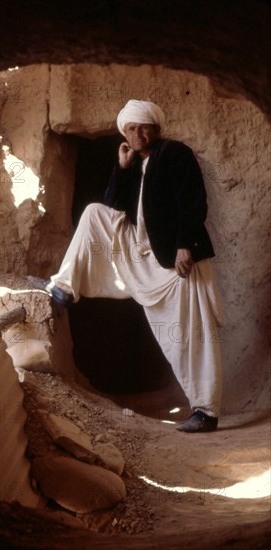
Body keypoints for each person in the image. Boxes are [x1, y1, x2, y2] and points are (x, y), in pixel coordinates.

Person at [30, 99, 223, 433]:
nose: (137, 134)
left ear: (156, 128)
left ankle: (206, 412)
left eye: (143, 127)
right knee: (94, 213)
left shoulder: (174, 153)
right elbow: (113, 206)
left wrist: (184, 246)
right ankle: (63, 287)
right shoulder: (135, 164)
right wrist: (121, 167)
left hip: (177, 262)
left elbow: (194, 201)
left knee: (187, 337)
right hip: (145, 254)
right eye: (131, 129)